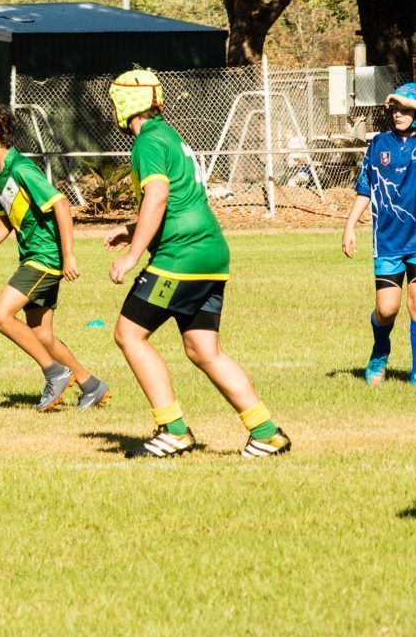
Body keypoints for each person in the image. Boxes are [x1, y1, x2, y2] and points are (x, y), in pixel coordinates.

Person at [103, 69, 290, 458]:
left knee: (129, 334)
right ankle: (266, 432)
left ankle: (172, 430)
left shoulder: (147, 142)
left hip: (181, 255)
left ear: (124, 103)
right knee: (204, 350)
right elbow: (179, 200)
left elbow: (156, 196)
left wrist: (134, 253)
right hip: (210, 253)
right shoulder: (170, 135)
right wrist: (132, 228)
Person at [0, 104, 109, 411]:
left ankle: (54, 373)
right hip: (30, 257)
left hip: (45, 258)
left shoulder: (22, 169)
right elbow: (6, 220)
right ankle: (91, 385)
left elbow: (60, 205)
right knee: (41, 334)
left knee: (0, 315)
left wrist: (69, 256)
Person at [342, 84, 416, 385]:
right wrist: (350, 225)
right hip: (389, 240)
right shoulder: (379, 144)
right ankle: (381, 348)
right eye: (395, 108)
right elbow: (365, 188)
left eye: (405, 109)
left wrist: (409, 99)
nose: (398, 113)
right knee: (387, 309)